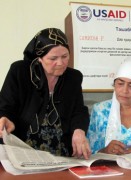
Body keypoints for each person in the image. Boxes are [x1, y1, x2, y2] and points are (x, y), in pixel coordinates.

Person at [0, 28, 91, 159]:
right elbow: (5, 106)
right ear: (39, 58)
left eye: (65, 56)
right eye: (53, 58)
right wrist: (5, 118)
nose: (60, 63)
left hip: (61, 151)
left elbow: (79, 110)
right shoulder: (20, 71)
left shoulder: (73, 77)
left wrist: (79, 131)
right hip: (23, 147)